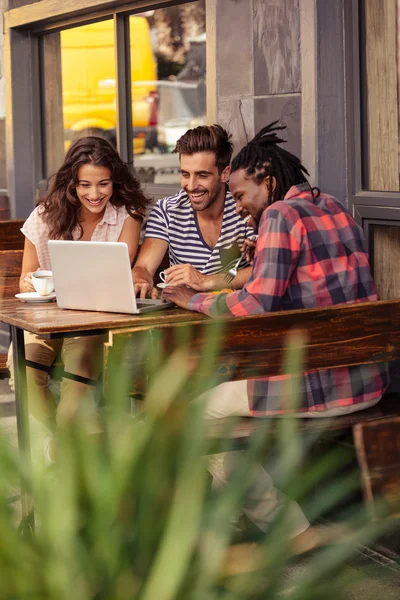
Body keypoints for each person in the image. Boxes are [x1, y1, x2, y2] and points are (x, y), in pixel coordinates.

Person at [163, 122, 389, 542]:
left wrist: (188, 299)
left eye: (241, 194)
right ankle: (214, 520)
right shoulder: (334, 206)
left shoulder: (280, 216)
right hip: (368, 378)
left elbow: (254, 305)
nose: (239, 205)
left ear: (267, 180)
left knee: (196, 413)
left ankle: (289, 529)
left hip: (322, 386)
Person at [8, 136, 149, 438]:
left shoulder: (127, 217)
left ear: (115, 182)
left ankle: (65, 450)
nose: (95, 194)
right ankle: (67, 444)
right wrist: (30, 282)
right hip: (45, 320)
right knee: (23, 374)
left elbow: (119, 275)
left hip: (91, 323)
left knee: (75, 399)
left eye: (104, 184)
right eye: (85, 185)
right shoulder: (46, 215)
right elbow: (26, 277)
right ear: (72, 184)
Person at [132, 124, 255, 299]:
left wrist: (207, 281)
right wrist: (141, 281)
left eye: (202, 175)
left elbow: (262, 270)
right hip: (183, 318)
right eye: (185, 174)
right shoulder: (167, 211)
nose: (191, 186)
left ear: (225, 173)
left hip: (234, 316)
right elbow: (143, 268)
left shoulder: (245, 208)